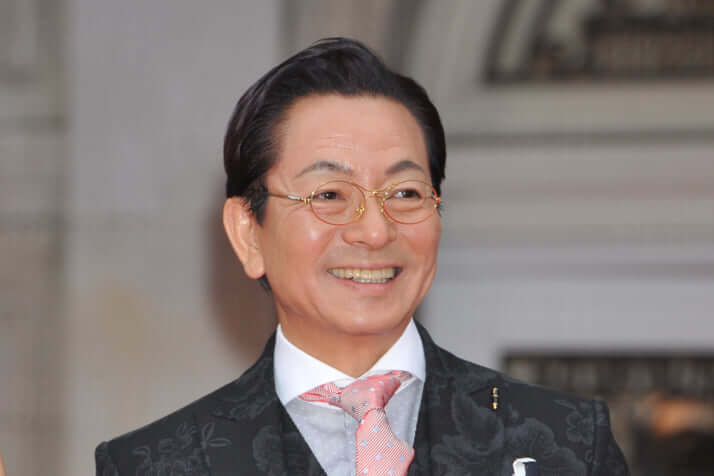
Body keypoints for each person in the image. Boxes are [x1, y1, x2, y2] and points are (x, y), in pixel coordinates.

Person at [95, 38, 629, 476]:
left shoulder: (567, 444)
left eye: (406, 193)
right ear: (248, 232)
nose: (375, 231)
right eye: (329, 195)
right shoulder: (156, 464)